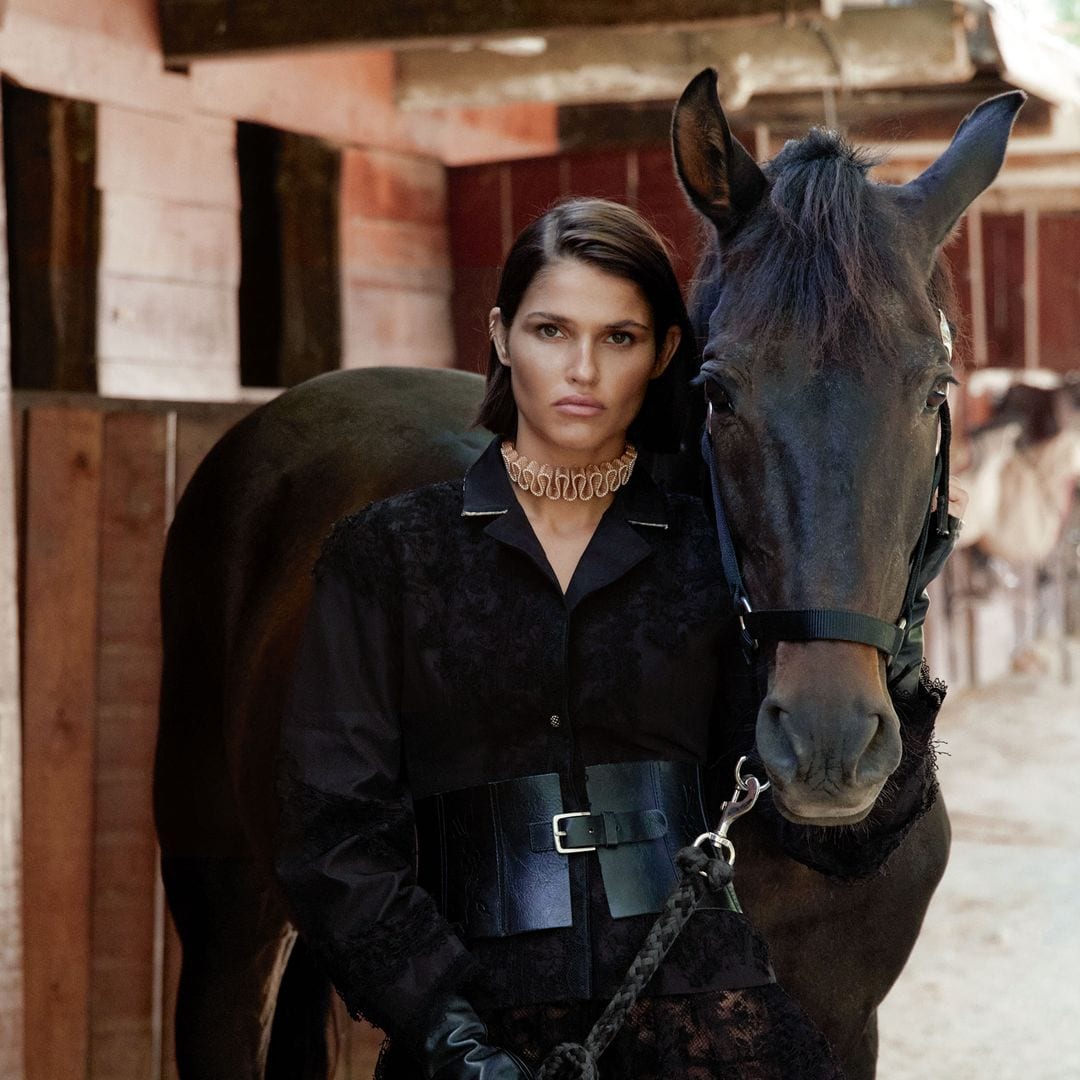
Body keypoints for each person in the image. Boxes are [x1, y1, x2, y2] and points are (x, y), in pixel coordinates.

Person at [274, 197, 959, 1078]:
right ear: (499, 335)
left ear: (666, 354)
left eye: (622, 337)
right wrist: (447, 1035)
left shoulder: (720, 565)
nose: (583, 370)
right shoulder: (386, 557)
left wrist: (896, 670)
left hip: (707, 1032)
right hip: (473, 1034)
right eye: (551, 330)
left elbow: (835, 843)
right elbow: (333, 831)